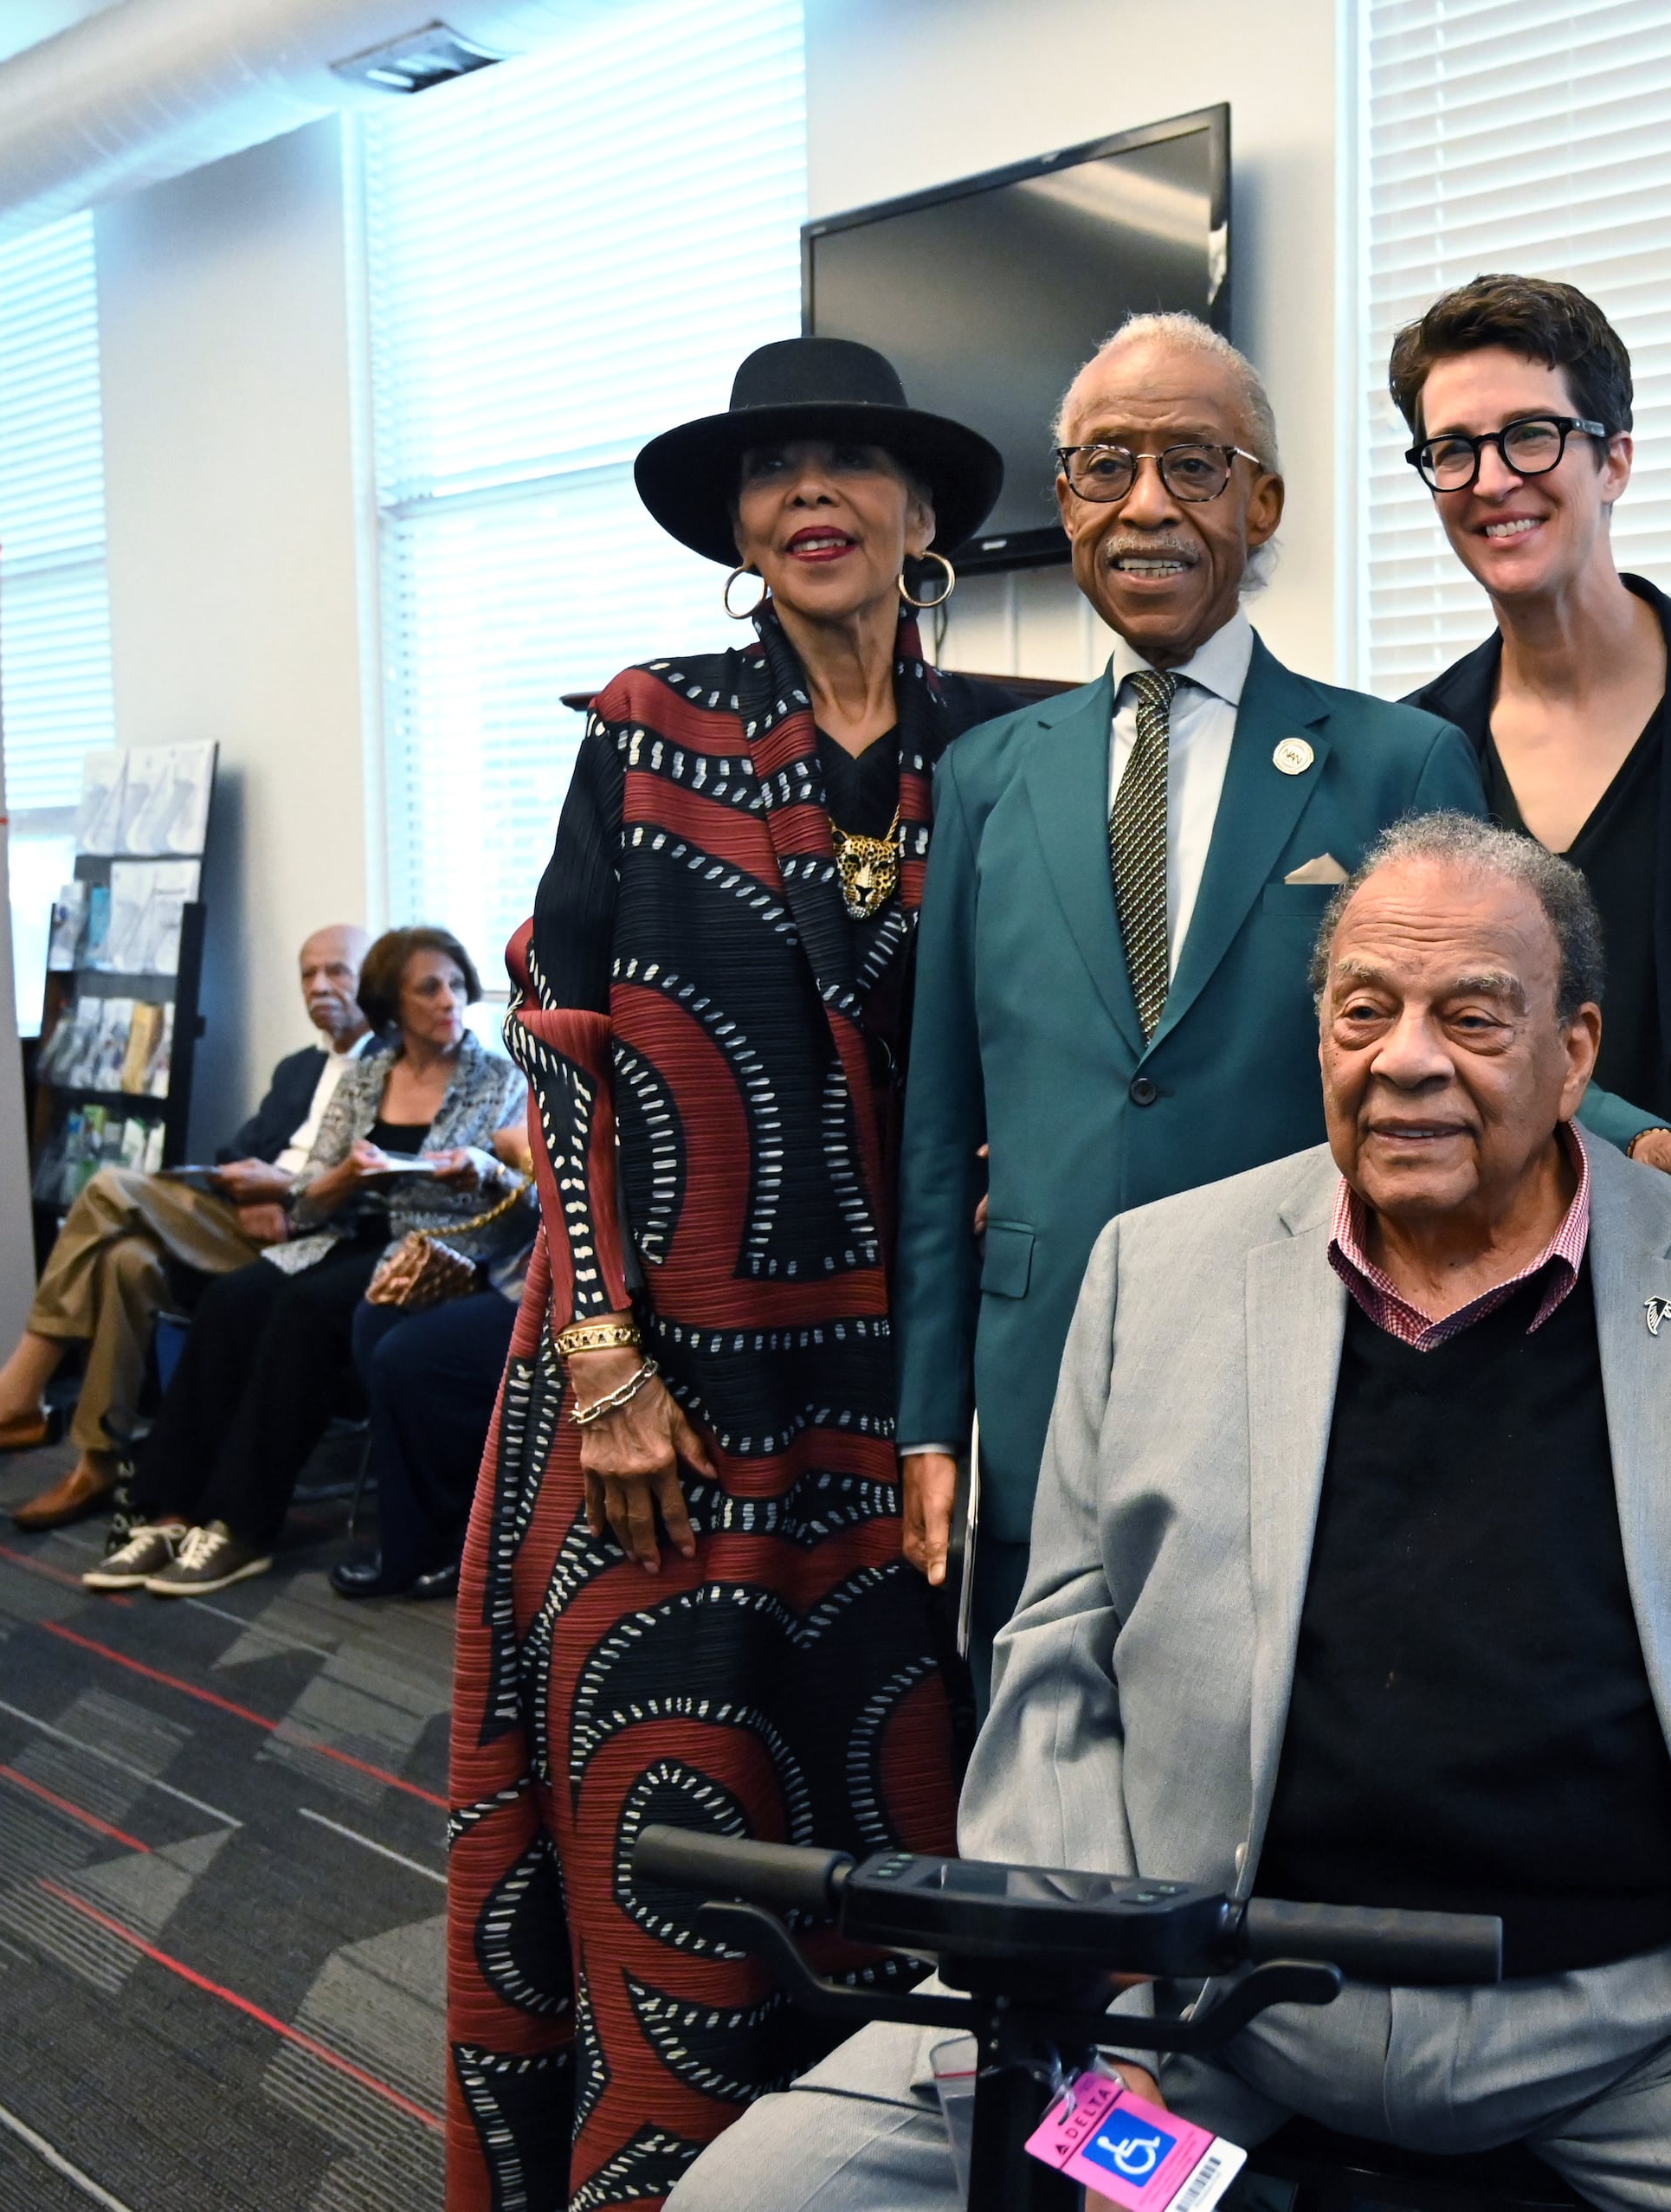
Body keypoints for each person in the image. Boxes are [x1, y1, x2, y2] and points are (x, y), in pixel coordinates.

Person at [676, 815, 1671, 2212]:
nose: (1407, 1059)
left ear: (1576, 1052)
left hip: (1652, 2026)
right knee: (756, 2202)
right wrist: (1086, 2023)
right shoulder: (1155, 1279)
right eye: (1368, 1010)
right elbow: (1061, 1674)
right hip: (1204, 1998)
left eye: (1473, 1016)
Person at [893, 313, 1671, 1662]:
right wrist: (925, 1414)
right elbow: (934, 1123)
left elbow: (1480, 1027)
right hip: (1045, 1368)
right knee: (1047, 1774)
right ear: (1065, 500)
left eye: (1194, 464)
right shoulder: (984, 775)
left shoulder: (1397, 758)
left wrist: (1642, 1136)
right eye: (1104, 465)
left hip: (1305, 1345)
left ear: (1261, 502)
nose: (1147, 504)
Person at [445, 336, 1029, 2212]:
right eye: (777, 470)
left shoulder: (1005, 750)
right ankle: (653, 2173)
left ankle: (868, 2163)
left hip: (900, 1398)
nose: (814, 495)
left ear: (923, 515)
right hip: (662, 1386)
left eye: (854, 460)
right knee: (671, 1793)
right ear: (740, 528)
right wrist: (605, 1355)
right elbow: (558, 1040)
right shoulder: (648, 722)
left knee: (894, 1806)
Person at [1394, 275, 1671, 1180]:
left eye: (1530, 435)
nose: (1491, 480)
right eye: (1453, 449)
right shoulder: (1416, 747)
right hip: (1498, 1269)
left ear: (1615, 461)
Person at [81, 925, 528, 1599]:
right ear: (392, 1004)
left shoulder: (499, 1078)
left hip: (439, 1250)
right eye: (429, 987)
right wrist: (347, 1175)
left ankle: (239, 1523)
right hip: (348, 1235)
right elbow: (308, 1202)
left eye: (457, 984)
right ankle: (164, 1509)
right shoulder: (368, 1076)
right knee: (234, 1297)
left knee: (303, 1309)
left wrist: (483, 1171)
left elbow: (523, 1198)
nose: (449, 999)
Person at [0, 923, 376, 1527]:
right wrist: (248, 1190)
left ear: (371, 979)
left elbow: (374, 1181)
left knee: (108, 1187)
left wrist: (287, 1190)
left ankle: (17, 1392)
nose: (319, 985)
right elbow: (233, 1149)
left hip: (312, 1239)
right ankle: (97, 1460)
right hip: (249, 1221)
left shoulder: (393, 1065)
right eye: (308, 973)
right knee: (125, 1261)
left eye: (338, 971)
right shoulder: (297, 1068)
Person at [329, 1211, 533, 1602]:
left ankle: (457, 1542)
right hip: (503, 1264)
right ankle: (415, 1535)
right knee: (377, 1316)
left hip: (559, 1295)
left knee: (410, 1355)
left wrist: (509, 1161)